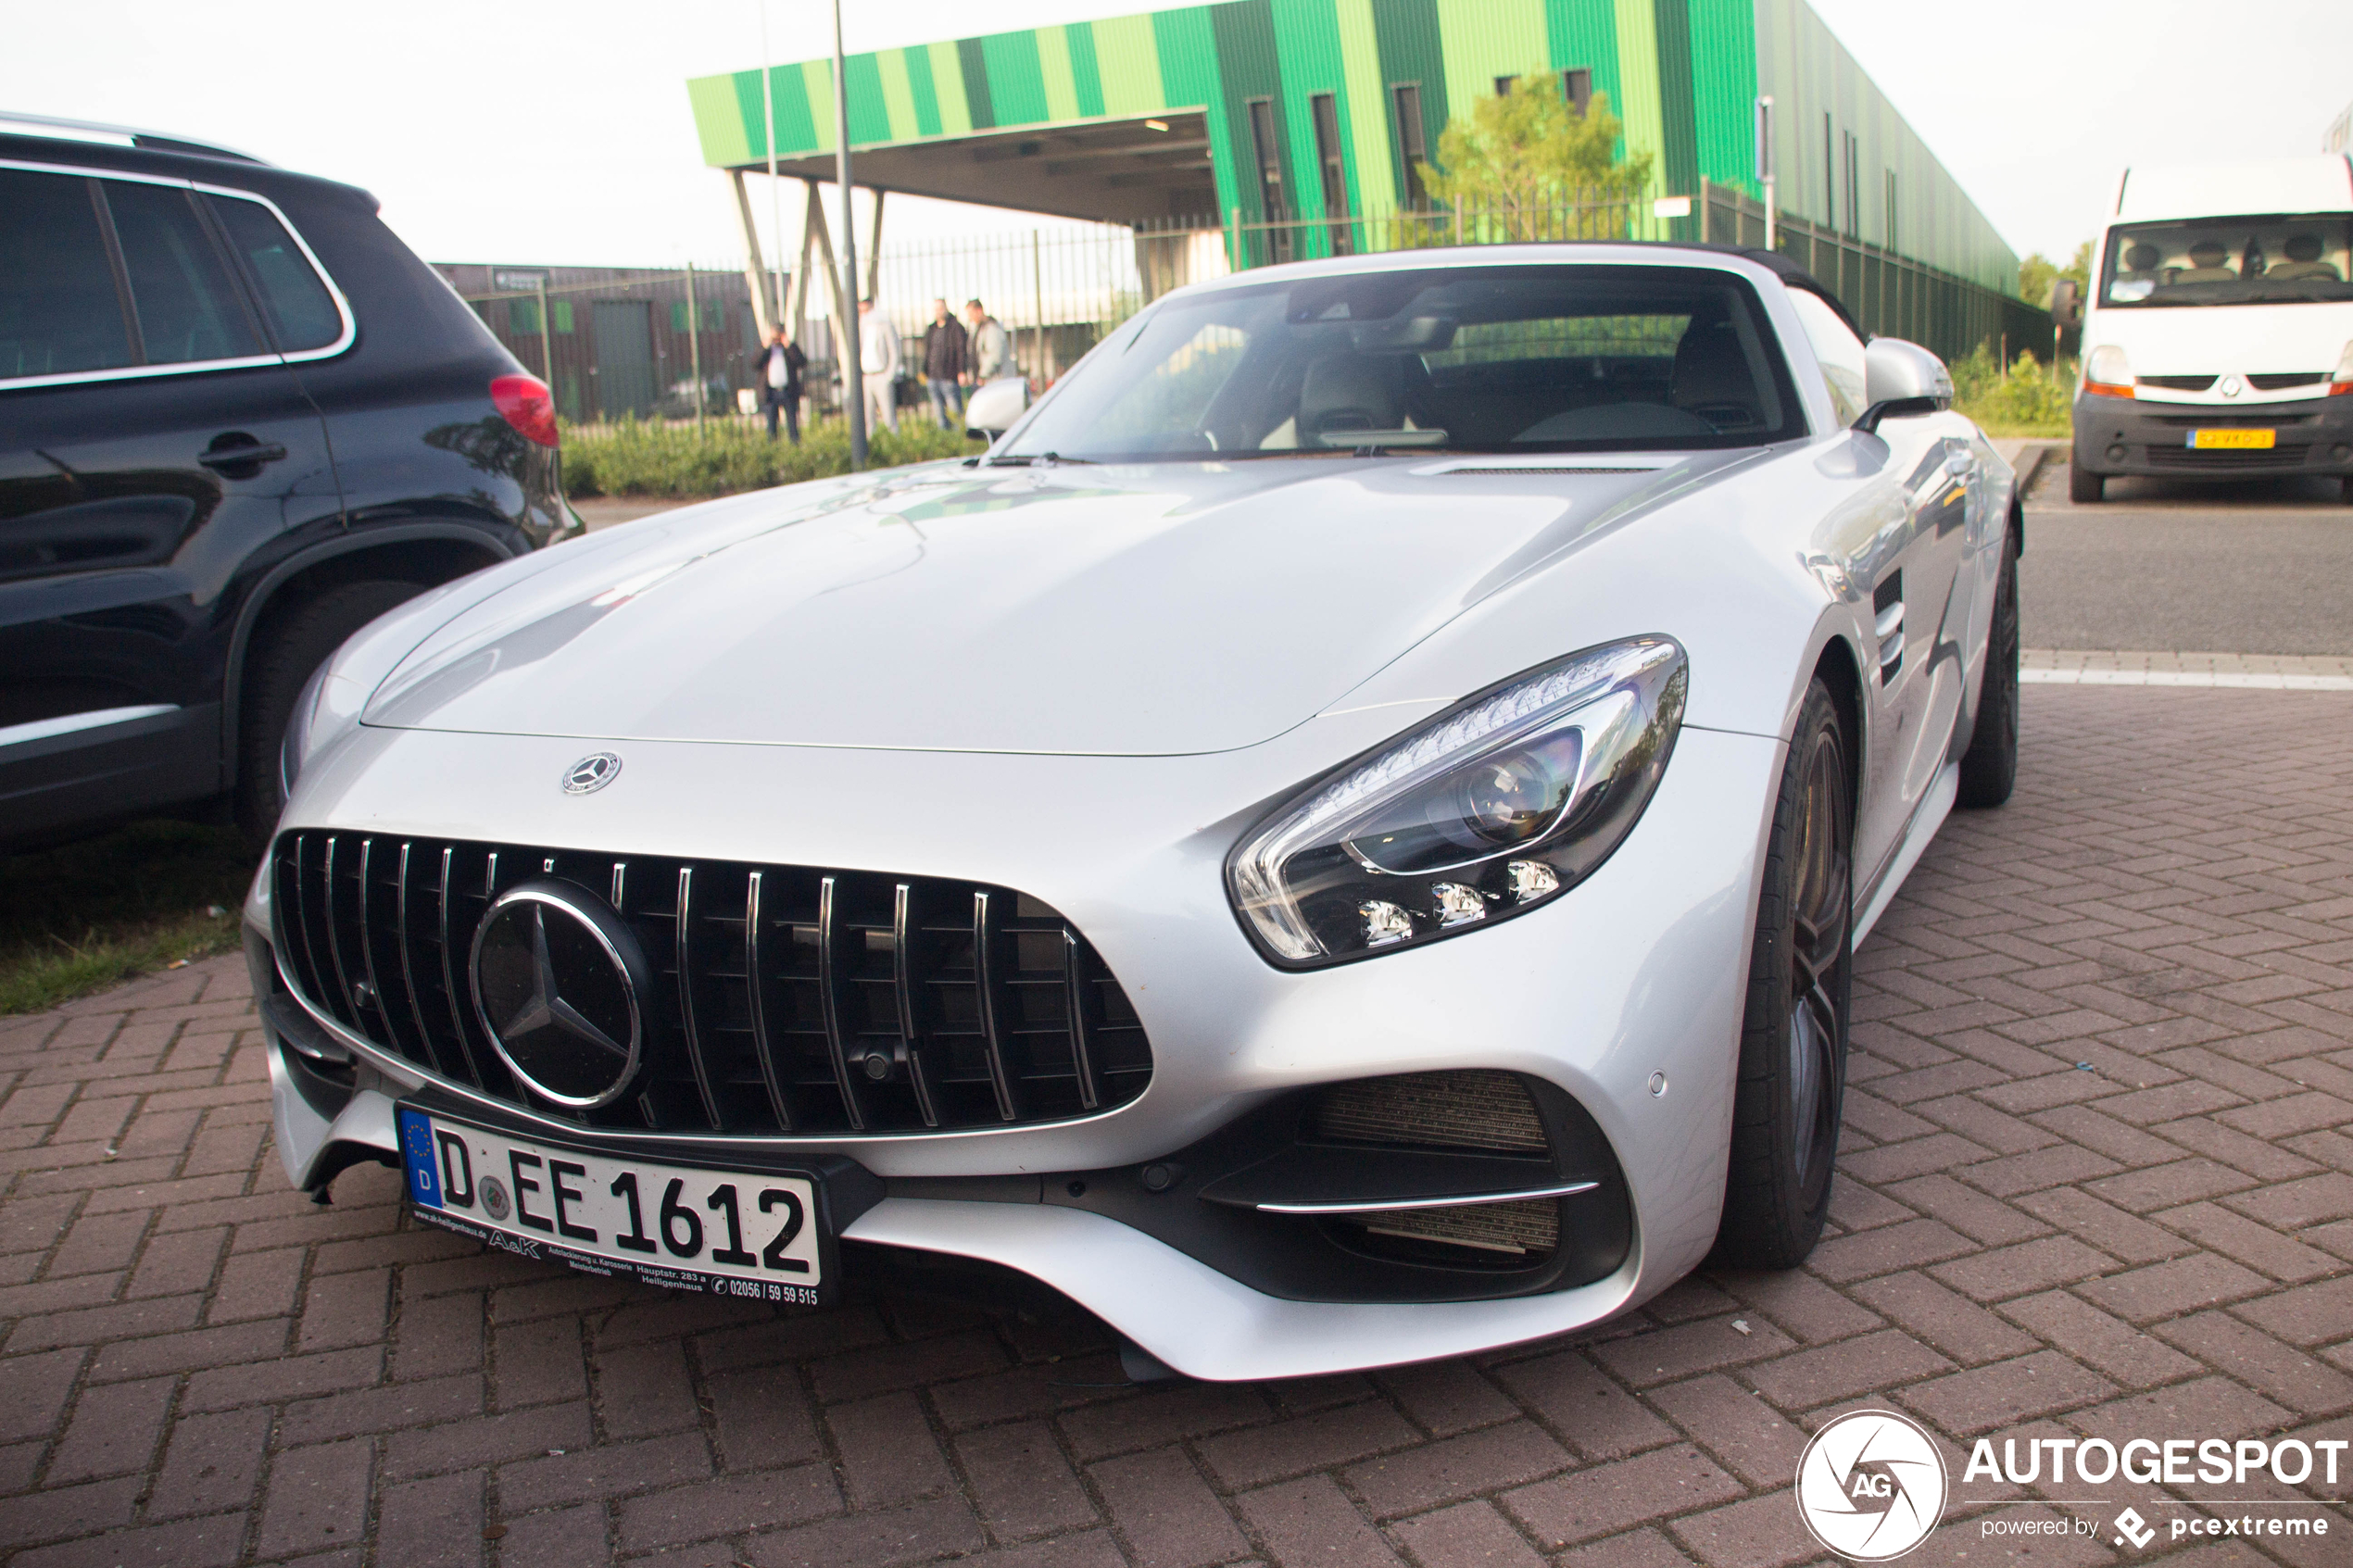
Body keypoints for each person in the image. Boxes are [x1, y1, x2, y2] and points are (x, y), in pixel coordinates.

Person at [749, 327, 806, 443]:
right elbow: (755, 364)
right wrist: (765, 346)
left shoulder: (788, 349)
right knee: (771, 426)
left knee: (792, 424)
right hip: (770, 392)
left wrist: (789, 345)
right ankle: (772, 448)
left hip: (788, 391)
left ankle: (794, 446)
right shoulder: (766, 350)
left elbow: (802, 362)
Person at [921, 298, 968, 429]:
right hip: (933, 377)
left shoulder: (955, 327)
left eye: (941, 308)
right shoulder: (932, 329)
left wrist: (961, 371)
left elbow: (961, 351)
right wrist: (925, 371)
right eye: (936, 309)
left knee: (955, 414)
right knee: (940, 417)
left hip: (949, 376)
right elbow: (927, 351)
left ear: (946, 308)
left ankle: (959, 439)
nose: (938, 312)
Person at [858, 297, 901, 434]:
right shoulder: (861, 326)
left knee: (889, 418)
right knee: (869, 420)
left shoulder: (884, 325)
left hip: (881, 375)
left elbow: (894, 351)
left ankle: (895, 445)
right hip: (867, 377)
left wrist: (889, 375)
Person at [964, 298, 1014, 386]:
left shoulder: (992, 329)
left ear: (979, 311)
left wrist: (983, 375)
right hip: (983, 380)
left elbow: (994, 355)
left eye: (971, 314)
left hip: (995, 381)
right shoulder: (979, 329)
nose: (970, 319)